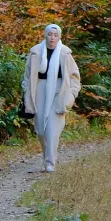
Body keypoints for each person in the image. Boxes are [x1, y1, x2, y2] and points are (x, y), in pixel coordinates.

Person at [21, 24, 81, 173]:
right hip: (39, 90)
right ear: (45, 35)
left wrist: (72, 93)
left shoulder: (65, 53)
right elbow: (27, 76)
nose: (52, 38)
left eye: (55, 35)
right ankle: (47, 155)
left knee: (53, 129)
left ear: (59, 37)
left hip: (59, 91)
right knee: (41, 130)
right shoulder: (35, 52)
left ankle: (50, 162)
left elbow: (74, 76)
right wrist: (26, 90)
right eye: (50, 34)